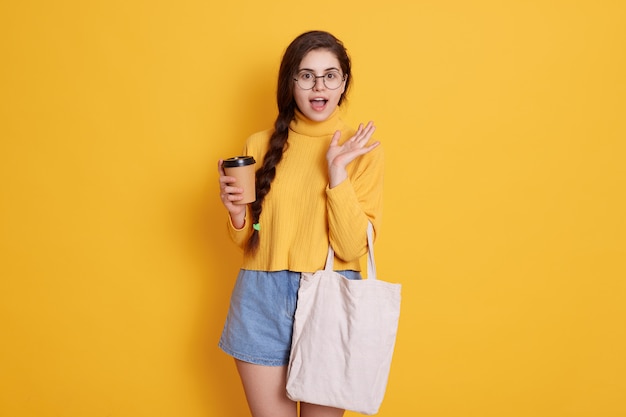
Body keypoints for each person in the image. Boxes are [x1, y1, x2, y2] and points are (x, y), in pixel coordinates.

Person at [217, 30, 384, 417]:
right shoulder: (257, 146)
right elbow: (251, 237)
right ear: (290, 82)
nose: (318, 86)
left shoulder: (362, 149)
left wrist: (337, 173)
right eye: (306, 75)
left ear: (344, 83)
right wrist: (239, 216)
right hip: (260, 296)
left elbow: (350, 247)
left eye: (330, 75)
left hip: (330, 296)